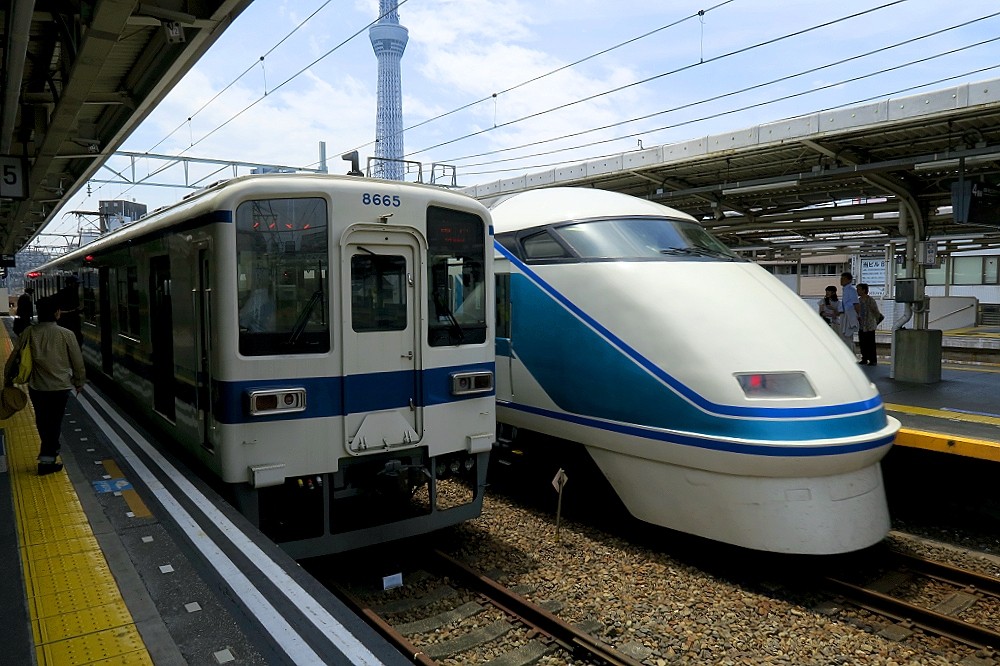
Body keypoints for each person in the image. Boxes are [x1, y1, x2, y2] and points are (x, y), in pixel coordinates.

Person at [3, 296, 86, 475]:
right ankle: (47, 459)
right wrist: (79, 382)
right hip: (60, 387)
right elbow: (77, 362)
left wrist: (7, 378)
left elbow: (14, 356)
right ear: (57, 313)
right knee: (54, 422)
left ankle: (48, 455)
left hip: (37, 387)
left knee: (42, 420)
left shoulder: (28, 332)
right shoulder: (66, 334)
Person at [857, 283, 884, 366]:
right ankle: (864, 358)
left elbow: (876, 312)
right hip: (861, 325)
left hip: (869, 325)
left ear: (864, 290)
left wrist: (876, 321)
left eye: (859, 289)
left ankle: (873, 360)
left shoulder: (871, 300)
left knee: (870, 343)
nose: (857, 291)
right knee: (862, 343)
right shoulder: (858, 301)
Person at [57, 275, 83, 347]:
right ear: (70, 284)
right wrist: (73, 311)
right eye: (76, 284)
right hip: (66, 322)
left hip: (72, 321)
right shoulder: (63, 294)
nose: (78, 285)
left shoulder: (73, 293)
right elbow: (58, 309)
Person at [838, 271, 860, 350]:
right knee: (843, 336)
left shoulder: (851, 290)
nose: (841, 280)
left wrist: (858, 315)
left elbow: (856, 303)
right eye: (841, 279)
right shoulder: (845, 290)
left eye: (844, 279)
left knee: (847, 336)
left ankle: (850, 353)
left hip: (849, 315)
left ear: (849, 280)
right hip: (844, 315)